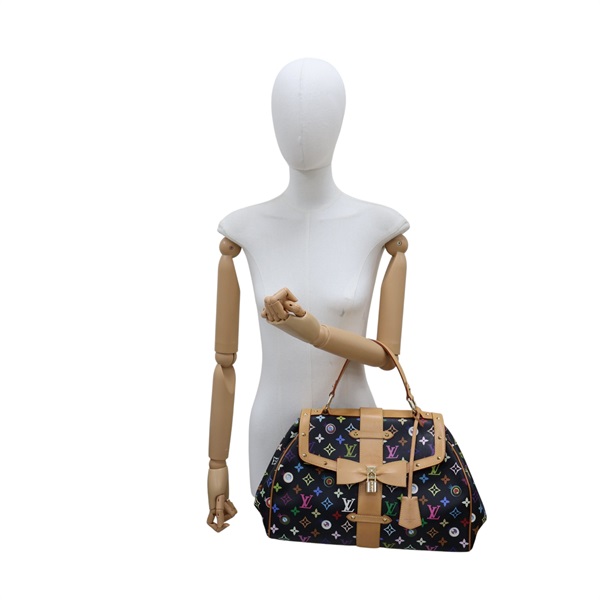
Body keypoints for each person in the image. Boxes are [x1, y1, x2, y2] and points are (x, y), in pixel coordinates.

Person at [207, 57, 409, 532]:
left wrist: (314, 332)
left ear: (339, 118)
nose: (300, 126)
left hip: (357, 438)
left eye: (316, 109)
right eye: (287, 111)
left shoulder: (379, 227)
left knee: (359, 541)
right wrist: (217, 464)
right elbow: (224, 362)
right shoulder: (244, 229)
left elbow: (388, 356)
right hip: (270, 432)